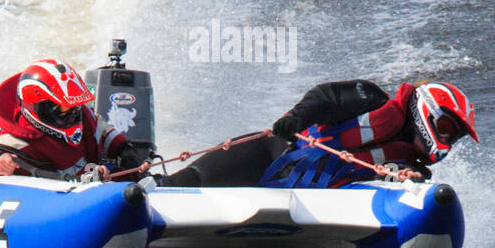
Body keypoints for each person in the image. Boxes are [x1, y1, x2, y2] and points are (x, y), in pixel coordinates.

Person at [159, 78, 478, 188]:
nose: (448, 141)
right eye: (447, 129)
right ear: (427, 112)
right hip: (271, 154)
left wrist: (413, 180)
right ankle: (138, 190)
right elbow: (324, 98)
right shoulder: (370, 98)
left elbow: (401, 181)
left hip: (314, 202)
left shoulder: (413, 168)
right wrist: (295, 118)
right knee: (184, 183)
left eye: (455, 136)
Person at [0, 59, 142, 182]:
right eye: (60, 110)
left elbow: (102, 129)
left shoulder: (85, 117)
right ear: (37, 109)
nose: (70, 115)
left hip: (95, 188)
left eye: (73, 108)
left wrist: (124, 150)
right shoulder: (15, 143)